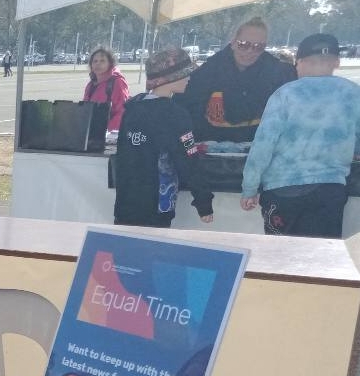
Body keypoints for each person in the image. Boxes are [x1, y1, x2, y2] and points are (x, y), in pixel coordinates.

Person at [240, 34, 360, 238]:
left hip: (283, 190)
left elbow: (263, 145)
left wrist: (249, 188)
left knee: (280, 257)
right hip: (331, 190)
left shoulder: (285, 94)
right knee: (321, 259)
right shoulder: (353, 93)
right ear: (337, 62)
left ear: (300, 62)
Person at [113, 47, 213, 229]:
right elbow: (188, 160)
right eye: (186, 74)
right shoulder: (175, 115)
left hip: (126, 202)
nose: (189, 78)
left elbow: (122, 156)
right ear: (171, 77)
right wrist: (203, 200)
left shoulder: (131, 110)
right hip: (158, 204)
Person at [181, 17, 296, 143]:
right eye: (244, 44)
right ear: (233, 42)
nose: (250, 51)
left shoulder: (279, 72)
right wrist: (191, 149)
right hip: (211, 143)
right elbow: (187, 112)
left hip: (259, 145)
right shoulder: (209, 70)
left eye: (258, 47)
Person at [82, 47, 129, 133]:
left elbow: (122, 112)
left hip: (110, 134)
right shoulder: (90, 85)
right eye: (95, 61)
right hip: (91, 133)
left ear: (110, 64)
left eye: (102, 61)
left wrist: (106, 131)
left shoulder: (117, 82)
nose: (98, 64)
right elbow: (85, 110)